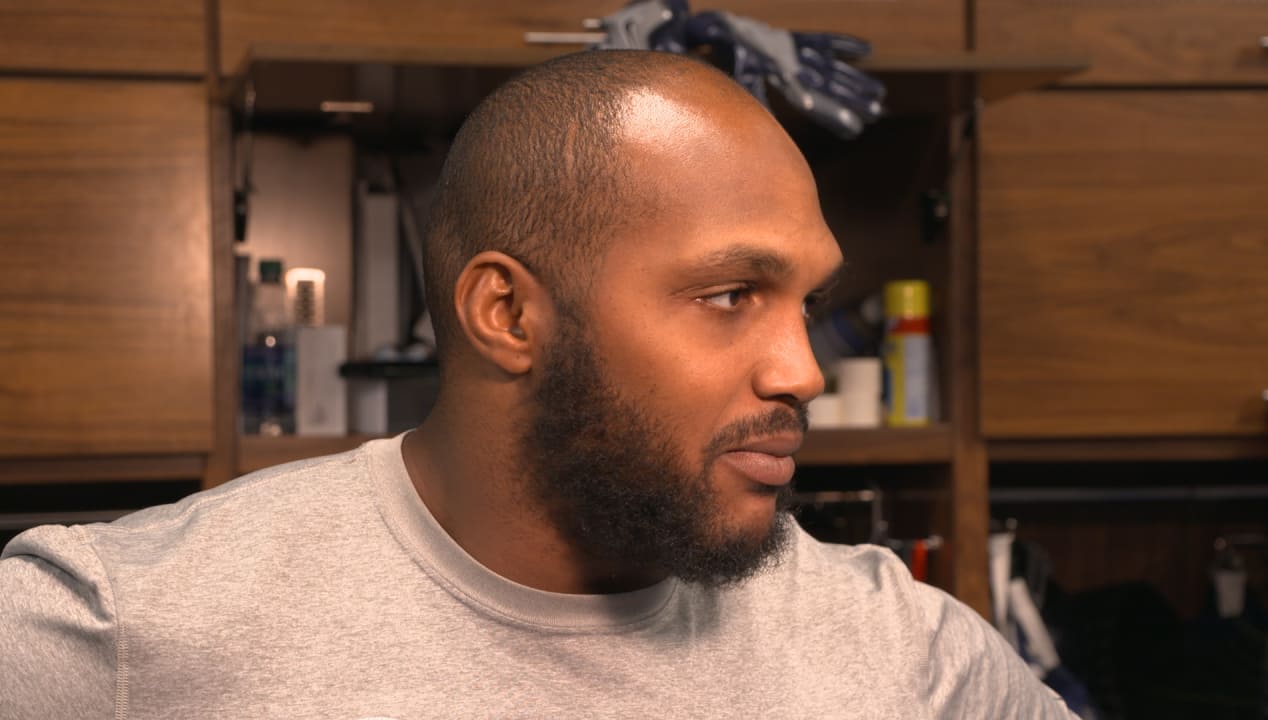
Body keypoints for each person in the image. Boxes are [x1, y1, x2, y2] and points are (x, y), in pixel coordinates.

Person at [0, 50, 1075, 718]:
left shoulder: (901, 657)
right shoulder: (122, 629)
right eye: (728, 294)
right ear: (506, 314)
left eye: (804, 302)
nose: (799, 369)